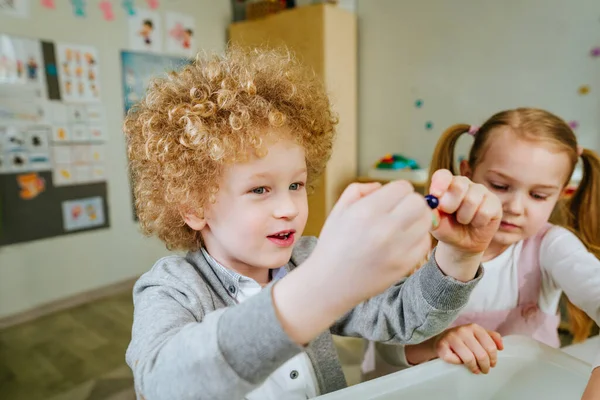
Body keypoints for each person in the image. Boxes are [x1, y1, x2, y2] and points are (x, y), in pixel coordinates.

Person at [123, 47, 502, 400]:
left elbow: (404, 318)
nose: (288, 208)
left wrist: (460, 255)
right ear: (193, 207)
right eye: (259, 190)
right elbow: (162, 385)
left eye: (295, 184)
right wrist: (317, 290)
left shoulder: (308, 257)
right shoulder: (172, 288)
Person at [365, 108, 600, 383]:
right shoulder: (419, 241)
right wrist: (434, 343)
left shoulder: (551, 245)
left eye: (538, 195)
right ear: (468, 172)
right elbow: (378, 345)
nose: (515, 207)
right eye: (500, 186)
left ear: (561, 195)